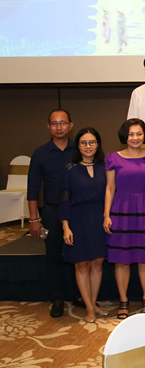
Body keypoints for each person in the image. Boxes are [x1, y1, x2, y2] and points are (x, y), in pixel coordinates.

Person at [104, 119, 145, 320]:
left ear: (144, 135)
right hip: (121, 210)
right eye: (131, 134)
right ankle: (123, 301)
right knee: (122, 259)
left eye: (139, 133)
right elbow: (109, 188)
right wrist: (106, 215)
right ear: (124, 136)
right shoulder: (113, 158)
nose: (135, 138)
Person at [27, 109, 75, 318]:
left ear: (70, 125)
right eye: (54, 123)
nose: (59, 127)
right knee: (53, 256)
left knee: (79, 254)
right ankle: (57, 299)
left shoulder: (80, 149)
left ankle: (79, 295)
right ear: (48, 127)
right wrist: (34, 219)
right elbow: (33, 188)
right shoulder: (40, 153)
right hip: (52, 211)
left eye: (63, 123)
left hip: (77, 211)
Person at [60, 127, 108, 324]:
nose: (88, 146)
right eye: (83, 143)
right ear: (78, 146)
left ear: (97, 145)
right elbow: (64, 199)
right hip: (78, 220)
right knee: (82, 265)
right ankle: (88, 307)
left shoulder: (106, 167)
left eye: (92, 142)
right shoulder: (70, 170)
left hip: (100, 219)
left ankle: (94, 303)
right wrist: (65, 226)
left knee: (97, 263)